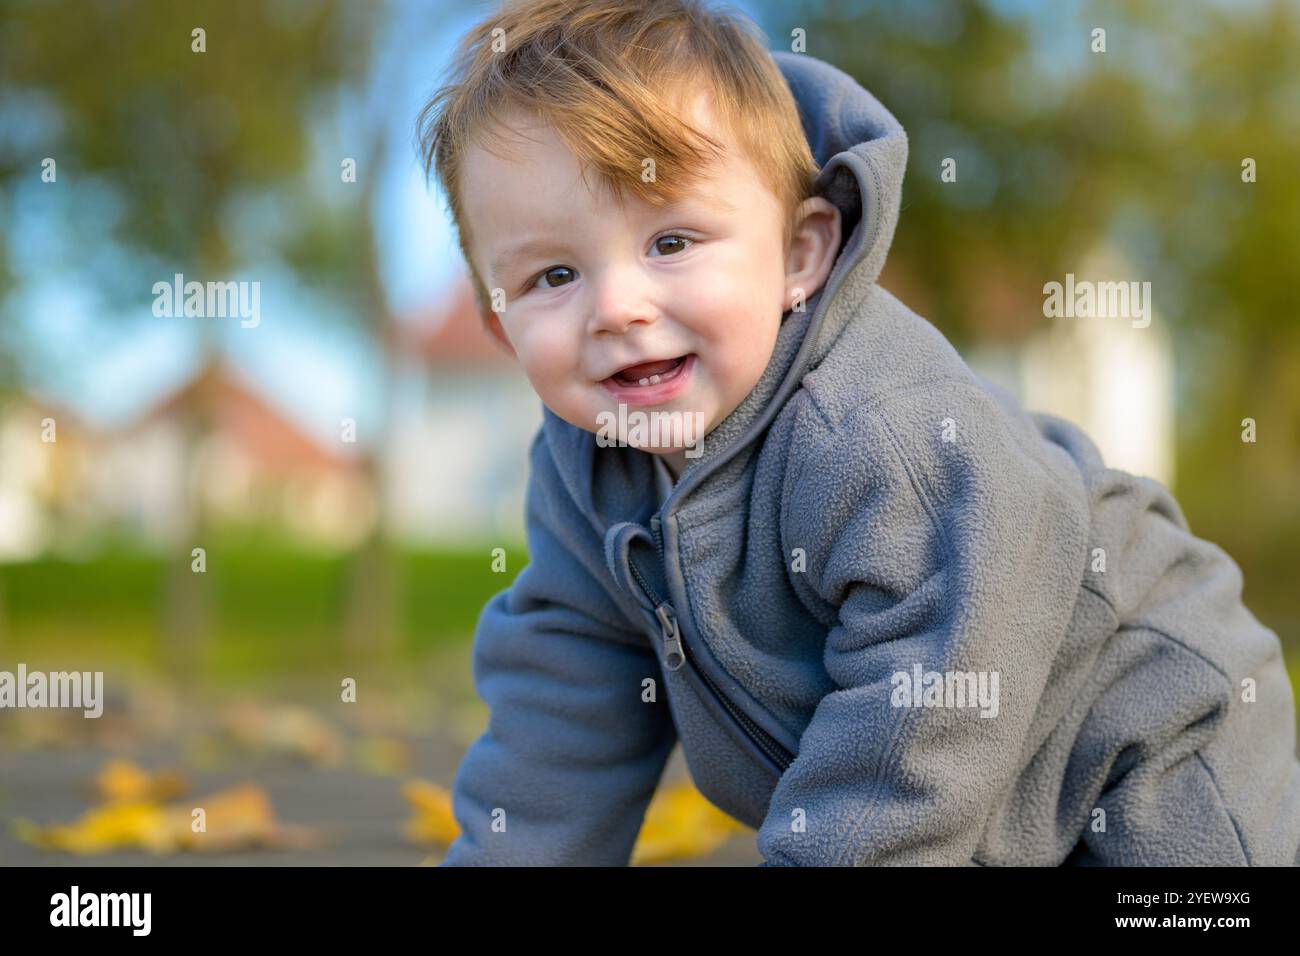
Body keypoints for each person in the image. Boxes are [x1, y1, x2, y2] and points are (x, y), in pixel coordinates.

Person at [417, 0, 1300, 865]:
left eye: (672, 242)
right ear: (499, 324)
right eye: (555, 274)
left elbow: (927, 704)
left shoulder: (878, 431)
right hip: (968, 810)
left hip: (1146, 743)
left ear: (800, 255)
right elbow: (565, 698)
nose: (617, 308)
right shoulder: (586, 477)